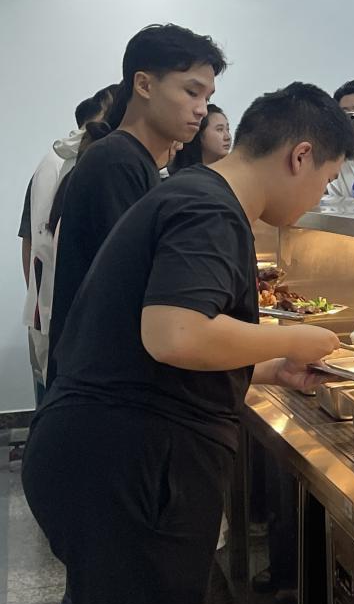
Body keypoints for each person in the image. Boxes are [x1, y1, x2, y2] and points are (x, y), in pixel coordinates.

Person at [23, 81, 352, 604]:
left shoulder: (192, 193)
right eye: (326, 179)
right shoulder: (211, 210)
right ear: (300, 155)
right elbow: (173, 334)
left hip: (102, 456)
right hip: (130, 469)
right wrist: (293, 338)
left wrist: (267, 368)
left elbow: (161, 344)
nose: (321, 196)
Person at [48, 24, 227, 391]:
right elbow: (132, 290)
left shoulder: (135, 161)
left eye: (207, 97)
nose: (201, 110)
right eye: (191, 92)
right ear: (144, 85)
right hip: (100, 385)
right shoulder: (117, 162)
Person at [19, 88, 113, 405]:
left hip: (55, 311)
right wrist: (41, 301)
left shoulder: (71, 163)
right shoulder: (64, 165)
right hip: (60, 313)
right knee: (54, 398)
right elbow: (32, 242)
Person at [170, 103, 231, 171]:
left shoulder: (231, 172)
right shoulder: (178, 174)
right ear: (199, 134)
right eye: (219, 129)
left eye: (228, 129)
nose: (227, 137)